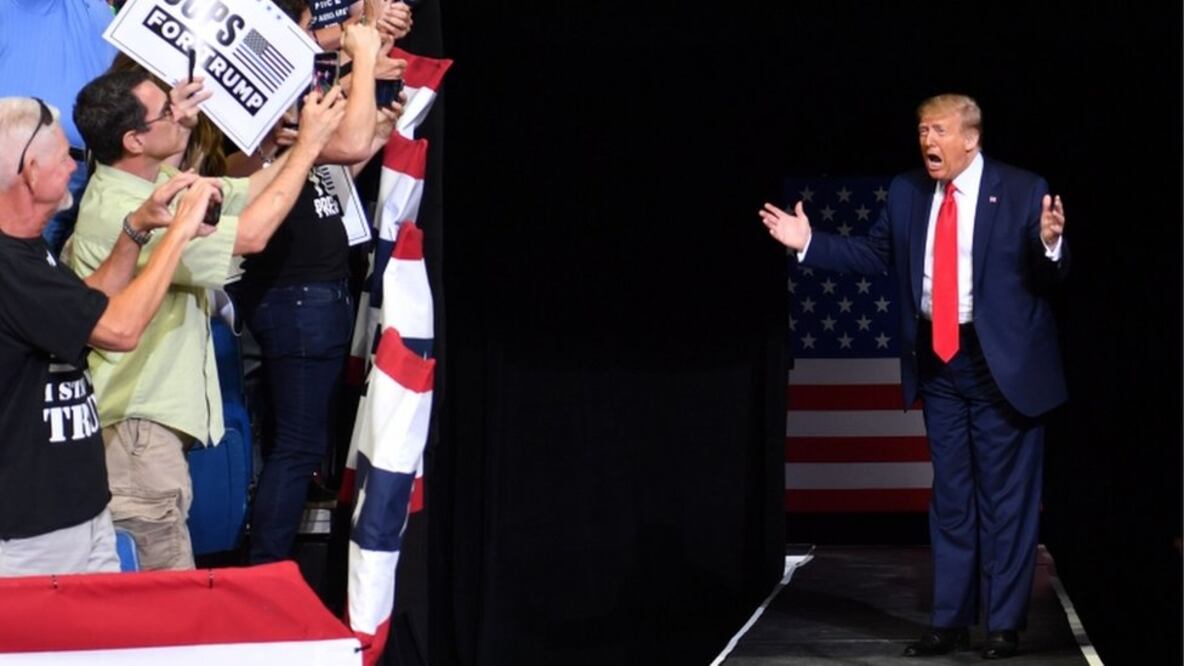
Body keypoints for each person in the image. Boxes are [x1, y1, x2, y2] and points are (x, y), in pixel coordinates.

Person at [761, 93, 1068, 660]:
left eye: (940, 130)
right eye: (923, 130)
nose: (928, 140)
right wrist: (809, 245)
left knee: (1005, 501)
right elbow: (874, 254)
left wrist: (1050, 243)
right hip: (940, 362)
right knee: (951, 497)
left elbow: (1047, 271)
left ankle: (1002, 626)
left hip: (1004, 365)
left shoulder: (1024, 189)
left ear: (971, 138)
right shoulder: (906, 191)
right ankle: (948, 622)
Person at [66, 69, 346, 571]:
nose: (182, 112)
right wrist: (306, 148)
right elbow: (252, 235)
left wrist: (298, 149)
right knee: (162, 610)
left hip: (147, 434)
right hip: (134, 434)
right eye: (167, 111)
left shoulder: (155, 182)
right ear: (134, 139)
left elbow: (243, 192)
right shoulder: (123, 207)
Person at [0, 96, 221, 575]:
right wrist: (180, 232)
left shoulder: (29, 252)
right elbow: (116, 330)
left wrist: (136, 230)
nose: (77, 167)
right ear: (31, 173)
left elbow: (81, 308)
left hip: (84, 512)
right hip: (30, 534)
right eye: (67, 157)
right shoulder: (8, 266)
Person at [226, 0, 401, 565]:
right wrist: (366, 53)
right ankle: (267, 574)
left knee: (295, 445)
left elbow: (336, 170)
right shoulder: (259, 130)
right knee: (296, 449)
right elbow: (338, 146)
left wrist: (378, 132)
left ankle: (267, 569)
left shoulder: (299, 136)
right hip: (297, 297)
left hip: (313, 294)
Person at [0, 0, 118, 256]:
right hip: (20, 171)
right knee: (19, 271)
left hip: (92, 170)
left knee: (56, 280)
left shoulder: (95, 11)